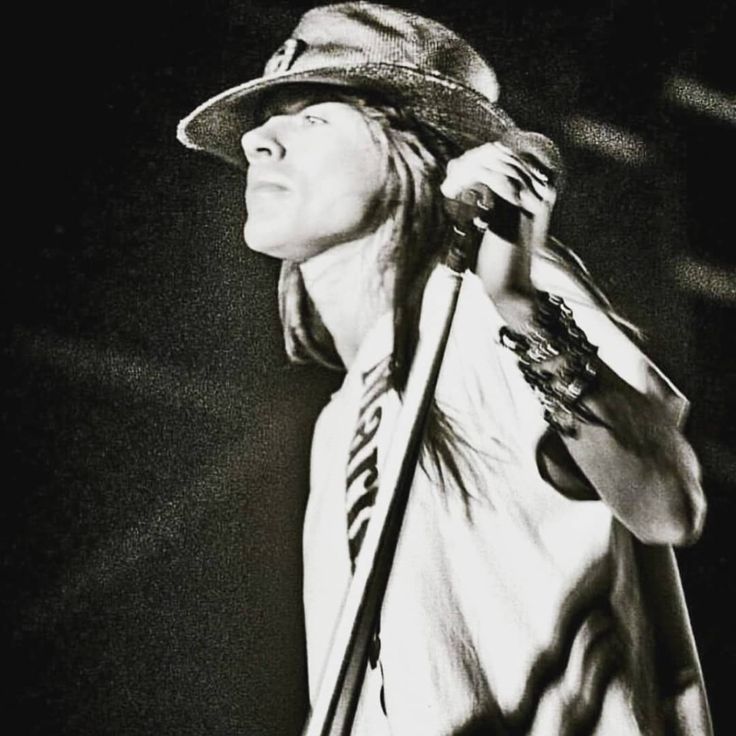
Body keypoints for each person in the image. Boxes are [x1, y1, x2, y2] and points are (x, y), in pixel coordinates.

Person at [178, 3, 712, 733]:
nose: (260, 140)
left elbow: (664, 502)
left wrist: (518, 299)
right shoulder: (340, 420)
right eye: (267, 122)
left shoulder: (481, 303)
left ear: (415, 150)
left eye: (310, 117)